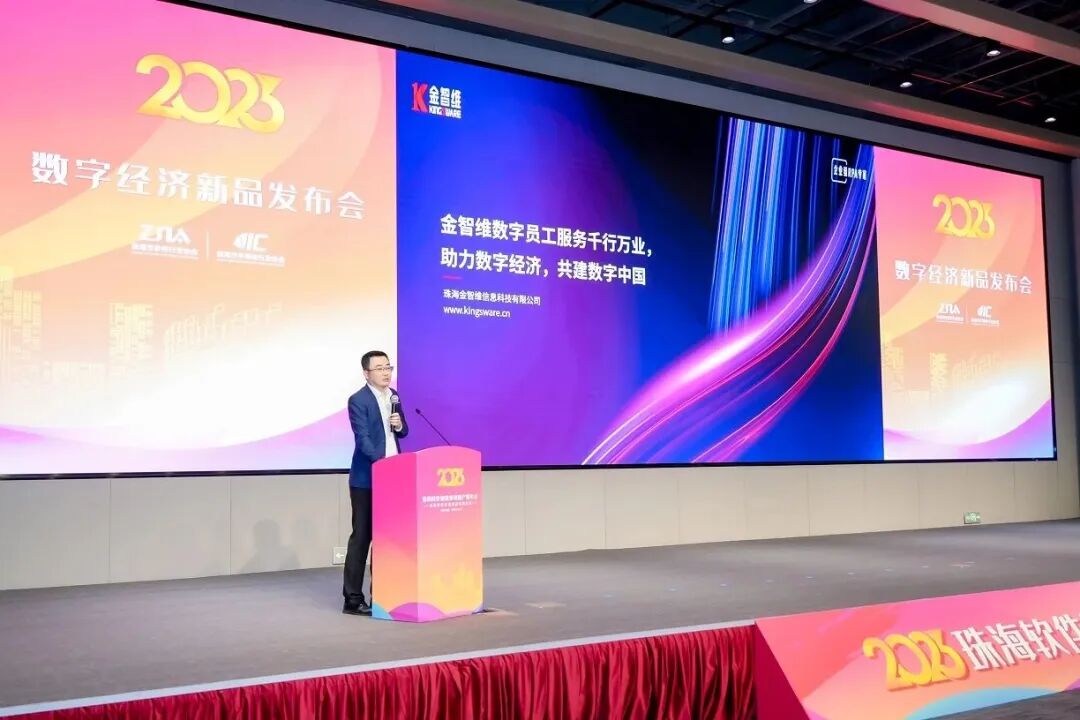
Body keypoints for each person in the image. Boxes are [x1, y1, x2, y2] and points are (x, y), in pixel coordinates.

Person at [342, 350, 408, 615]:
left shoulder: (394, 396)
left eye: (388, 367)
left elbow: (403, 432)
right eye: (379, 368)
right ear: (366, 373)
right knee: (362, 538)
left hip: (393, 478)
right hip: (367, 480)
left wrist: (399, 424)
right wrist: (382, 464)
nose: (385, 372)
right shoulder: (358, 400)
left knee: (387, 540)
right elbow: (363, 440)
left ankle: (382, 595)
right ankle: (353, 599)